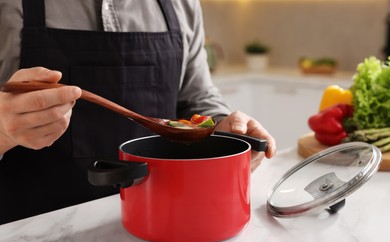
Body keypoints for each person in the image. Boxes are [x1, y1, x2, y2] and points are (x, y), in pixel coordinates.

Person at [0, 0, 276, 225]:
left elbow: (197, 96)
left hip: (163, 226)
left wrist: (221, 128)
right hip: (34, 233)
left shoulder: (183, 4)